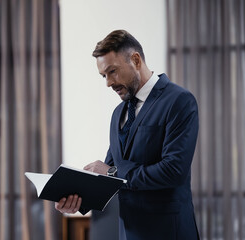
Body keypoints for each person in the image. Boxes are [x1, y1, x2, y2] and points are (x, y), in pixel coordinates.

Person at [55, 30, 200, 239]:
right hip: (128, 234)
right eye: (104, 75)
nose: (108, 82)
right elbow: (107, 180)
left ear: (136, 59)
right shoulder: (117, 114)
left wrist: (112, 172)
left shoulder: (179, 101)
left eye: (112, 71)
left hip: (169, 232)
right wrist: (77, 201)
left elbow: (173, 170)